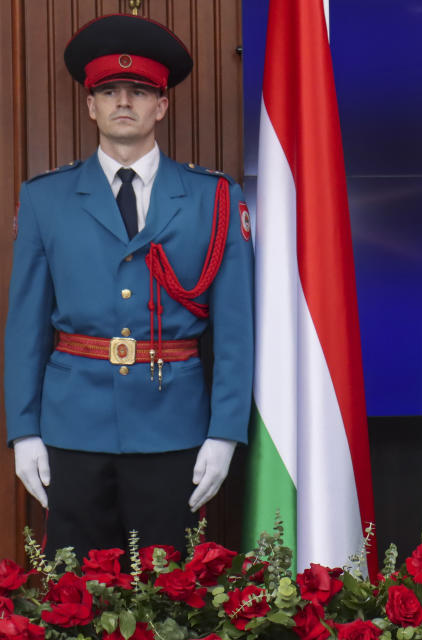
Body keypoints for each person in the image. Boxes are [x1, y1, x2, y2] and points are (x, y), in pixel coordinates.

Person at [3, 14, 253, 559]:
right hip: (72, 429)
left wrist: (225, 432)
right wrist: (23, 431)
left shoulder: (213, 198)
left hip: (175, 427)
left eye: (138, 91)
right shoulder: (46, 199)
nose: (123, 101)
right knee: (77, 599)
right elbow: (25, 326)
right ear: (90, 105)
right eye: (108, 91)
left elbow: (235, 329)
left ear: (161, 105)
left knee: (172, 599)